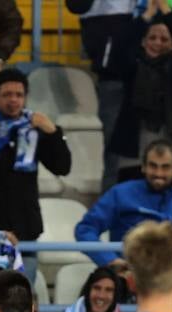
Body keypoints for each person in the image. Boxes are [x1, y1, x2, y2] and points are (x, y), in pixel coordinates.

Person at [0, 68, 71, 286]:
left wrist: (53, 132)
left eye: (19, 95)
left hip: (25, 228)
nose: (13, 100)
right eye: (7, 95)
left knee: (21, 300)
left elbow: (62, 167)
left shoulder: (34, 130)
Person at [108, 0, 172, 191]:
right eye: (152, 38)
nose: (157, 43)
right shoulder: (132, 68)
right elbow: (120, 48)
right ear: (143, 40)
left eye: (164, 39)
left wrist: (166, 10)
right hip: (134, 150)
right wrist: (147, 14)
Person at [74, 138, 172, 268]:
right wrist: (109, 260)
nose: (159, 173)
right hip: (128, 276)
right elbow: (85, 229)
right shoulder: (119, 194)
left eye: (165, 167)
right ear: (143, 167)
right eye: (153, 166)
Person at [65, 0, 137, 190]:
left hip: (151, 69)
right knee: (115, 154)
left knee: (154, 150)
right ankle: (110, 213)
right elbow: (76, 5)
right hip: (113, 74)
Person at [62, 266, 126, 312]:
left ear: (115, 296)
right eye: (97, 288)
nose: (101, 296)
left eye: (108, 290)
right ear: (88, 291)